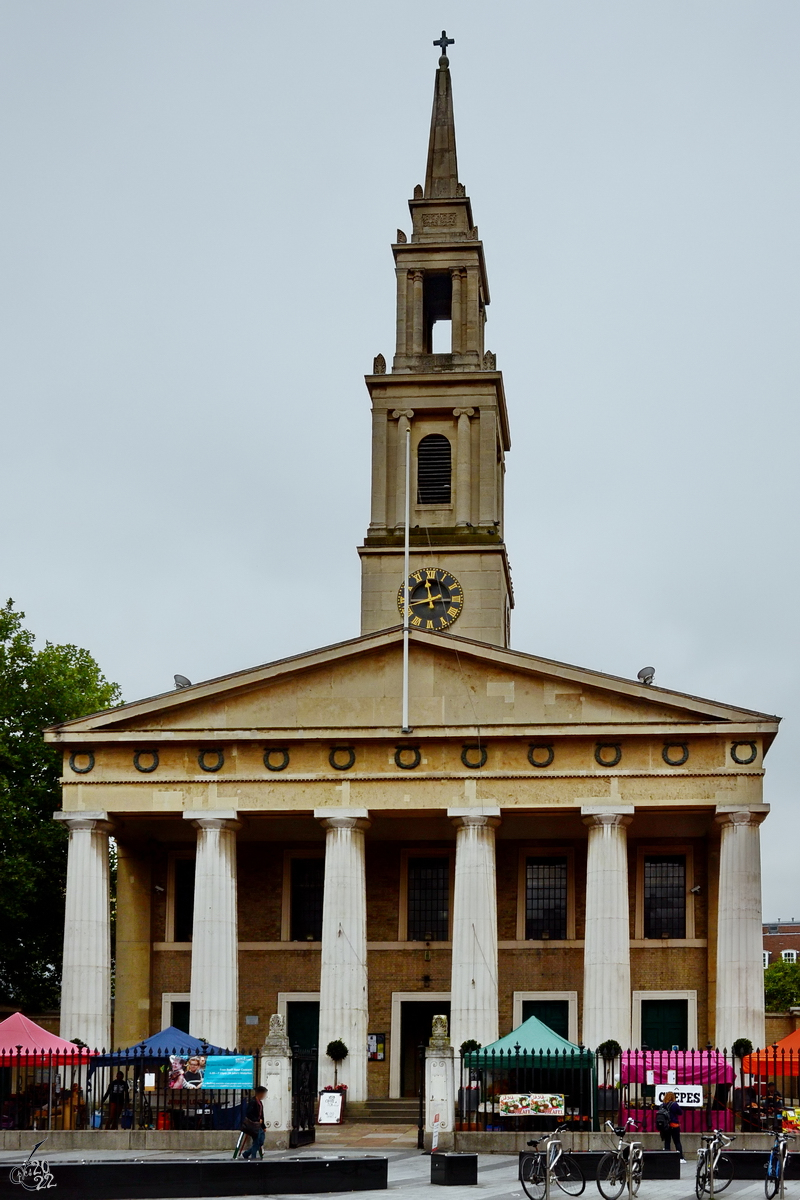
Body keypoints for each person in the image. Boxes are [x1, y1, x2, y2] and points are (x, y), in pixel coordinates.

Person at [658, 1091, 686, 1164]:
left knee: (667, 1141)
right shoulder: (674, 1104)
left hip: (665, 1126)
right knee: (677, 1141)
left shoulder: (662, 1105)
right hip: (674, 1125)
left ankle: (667, 1157)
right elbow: (680, 1112)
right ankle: (680, 1158)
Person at [241, 1086, 267, 1160]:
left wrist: (263, 1126)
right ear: (259, 1093)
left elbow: (262, 1115)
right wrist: (257, 1120)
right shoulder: (253, 1102)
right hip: (253, 1125)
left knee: (261, 1140)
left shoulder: (260, 1103)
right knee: (256, 1140)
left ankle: (247, 1153)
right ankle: (253, 1156)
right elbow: (249, 1113)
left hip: (259, 1125)